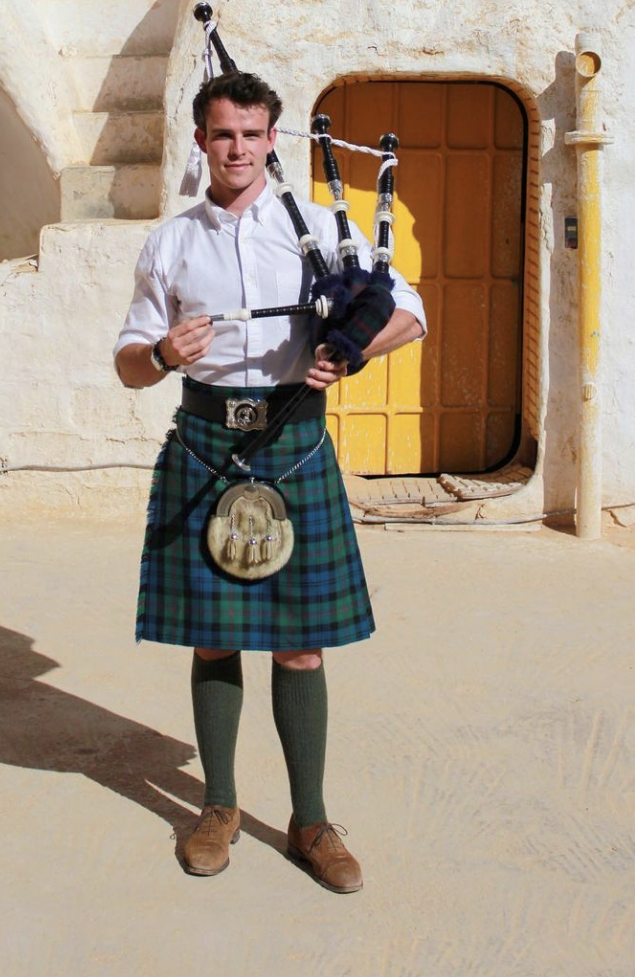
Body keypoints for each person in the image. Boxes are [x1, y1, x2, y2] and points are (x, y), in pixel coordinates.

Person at [114, 70, 426, 893]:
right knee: (214, 635)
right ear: (201, 140)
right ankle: (217, 807)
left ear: (272, 140)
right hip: (205, 442)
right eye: (223, 134)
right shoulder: (172, 244)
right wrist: (162, 354)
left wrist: (352, 350)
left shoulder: (319, 228)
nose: (238, 149)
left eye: (252, 135)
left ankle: (310, 821)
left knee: (301, 644)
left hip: (294, 441)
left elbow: (410, 311)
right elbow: (128, 364)